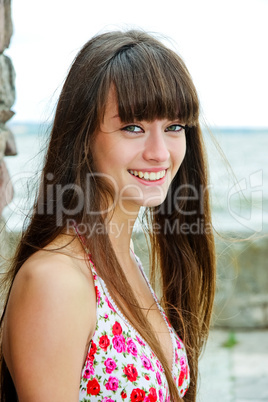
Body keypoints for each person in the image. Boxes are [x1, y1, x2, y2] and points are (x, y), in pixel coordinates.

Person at [0, 30, 215, 401]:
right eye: (133, 127)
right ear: (83, 137)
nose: (160, 153)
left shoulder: (122, 257)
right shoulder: (55, 282)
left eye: (174, 127)